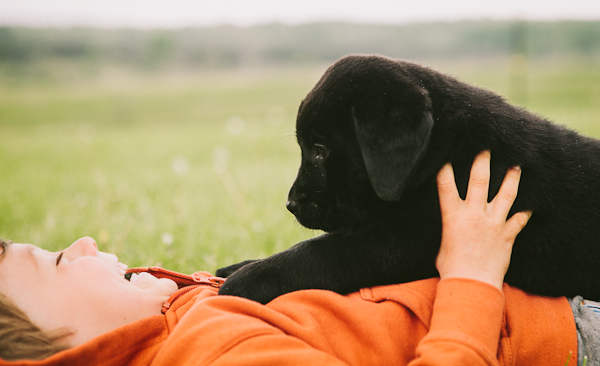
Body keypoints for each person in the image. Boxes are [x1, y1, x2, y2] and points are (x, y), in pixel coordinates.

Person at [0, 151, 592, 365]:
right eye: (56, 263)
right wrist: (470, 279)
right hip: (562, 334)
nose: (79, 244)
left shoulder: (180, 324)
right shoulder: (212, 354)